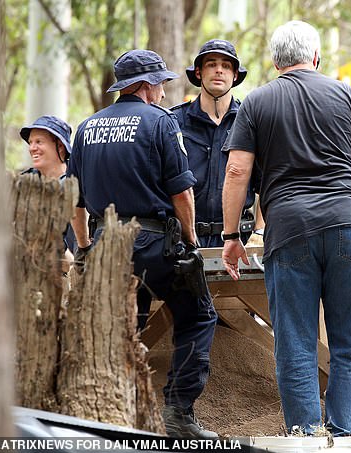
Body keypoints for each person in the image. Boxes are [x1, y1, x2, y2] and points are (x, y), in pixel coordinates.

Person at [220, 20, 351, 436]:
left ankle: (304, 436)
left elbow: (236, 171)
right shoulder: (345, 93)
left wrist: (232, 237)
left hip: (289, 232)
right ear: (316, 58)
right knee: (349, 344)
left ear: (274, 61)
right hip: (348, 225)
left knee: (296, 344)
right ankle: (344, 433)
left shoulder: (256, 103)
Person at [67, 49, 217, 439]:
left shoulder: (86, 128)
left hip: (106, 245)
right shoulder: (161, 123)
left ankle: (115, 413)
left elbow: (74, 200)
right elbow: (182, 192)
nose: (165, 93)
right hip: (154, 245)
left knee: (123, 326)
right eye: (161, 84)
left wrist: (85, 248)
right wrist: (191, 242)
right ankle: (177, 414)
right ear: (146, 86)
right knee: (199, 315)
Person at [171, 39, 260, 247]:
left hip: (240, 240)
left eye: (226, 66)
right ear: (199, 72)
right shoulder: (174, 121)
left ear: (235, 75)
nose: (219, 70)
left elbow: (267, 184)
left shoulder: (251, 120)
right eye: (211, 64)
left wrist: (259, 232)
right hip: (185, 241)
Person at [20, 115, 77, 262]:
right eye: (31, 142)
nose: (32, 148)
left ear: (60, 147)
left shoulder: (77, 185)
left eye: (39, 142)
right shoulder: (24, 183)